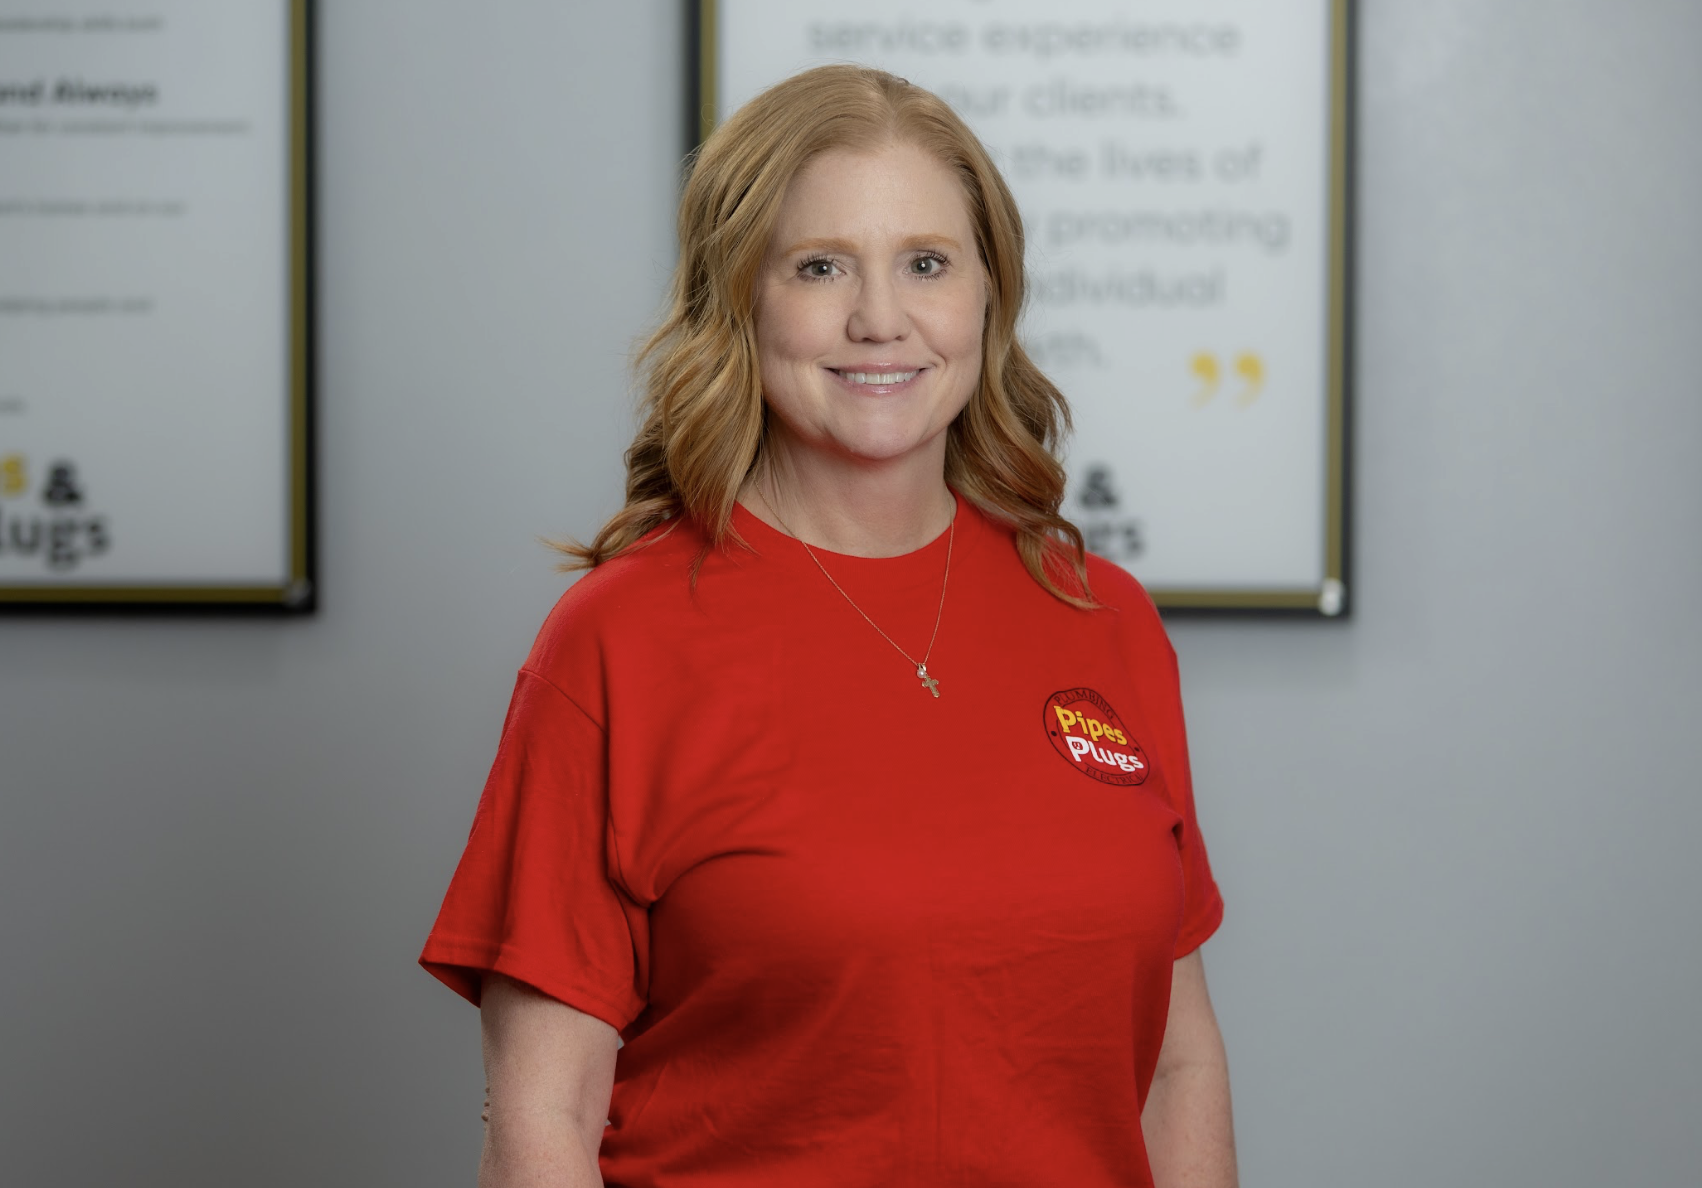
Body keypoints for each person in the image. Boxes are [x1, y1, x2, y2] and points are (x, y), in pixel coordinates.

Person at [420, 64, 1236, 1188]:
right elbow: (542, 1117)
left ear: (988, 295)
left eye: (926, 263)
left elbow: (1173, 1065)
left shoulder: (1101, 619)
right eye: (818, 267)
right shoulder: (618, 643)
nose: (879, 319)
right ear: (739, 299)